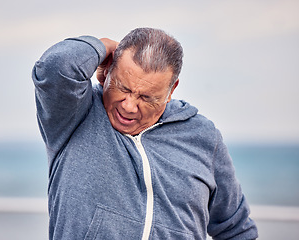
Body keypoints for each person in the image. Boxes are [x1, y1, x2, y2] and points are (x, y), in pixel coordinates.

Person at [32, 28, 258, 240]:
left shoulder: (203, 136)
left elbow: (236, 229)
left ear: (171, 90)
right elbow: (55, 67)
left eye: (146, 97)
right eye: (123, 87)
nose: (129, 106)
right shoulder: (75, 113)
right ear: (107, 72)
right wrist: (105, 46)